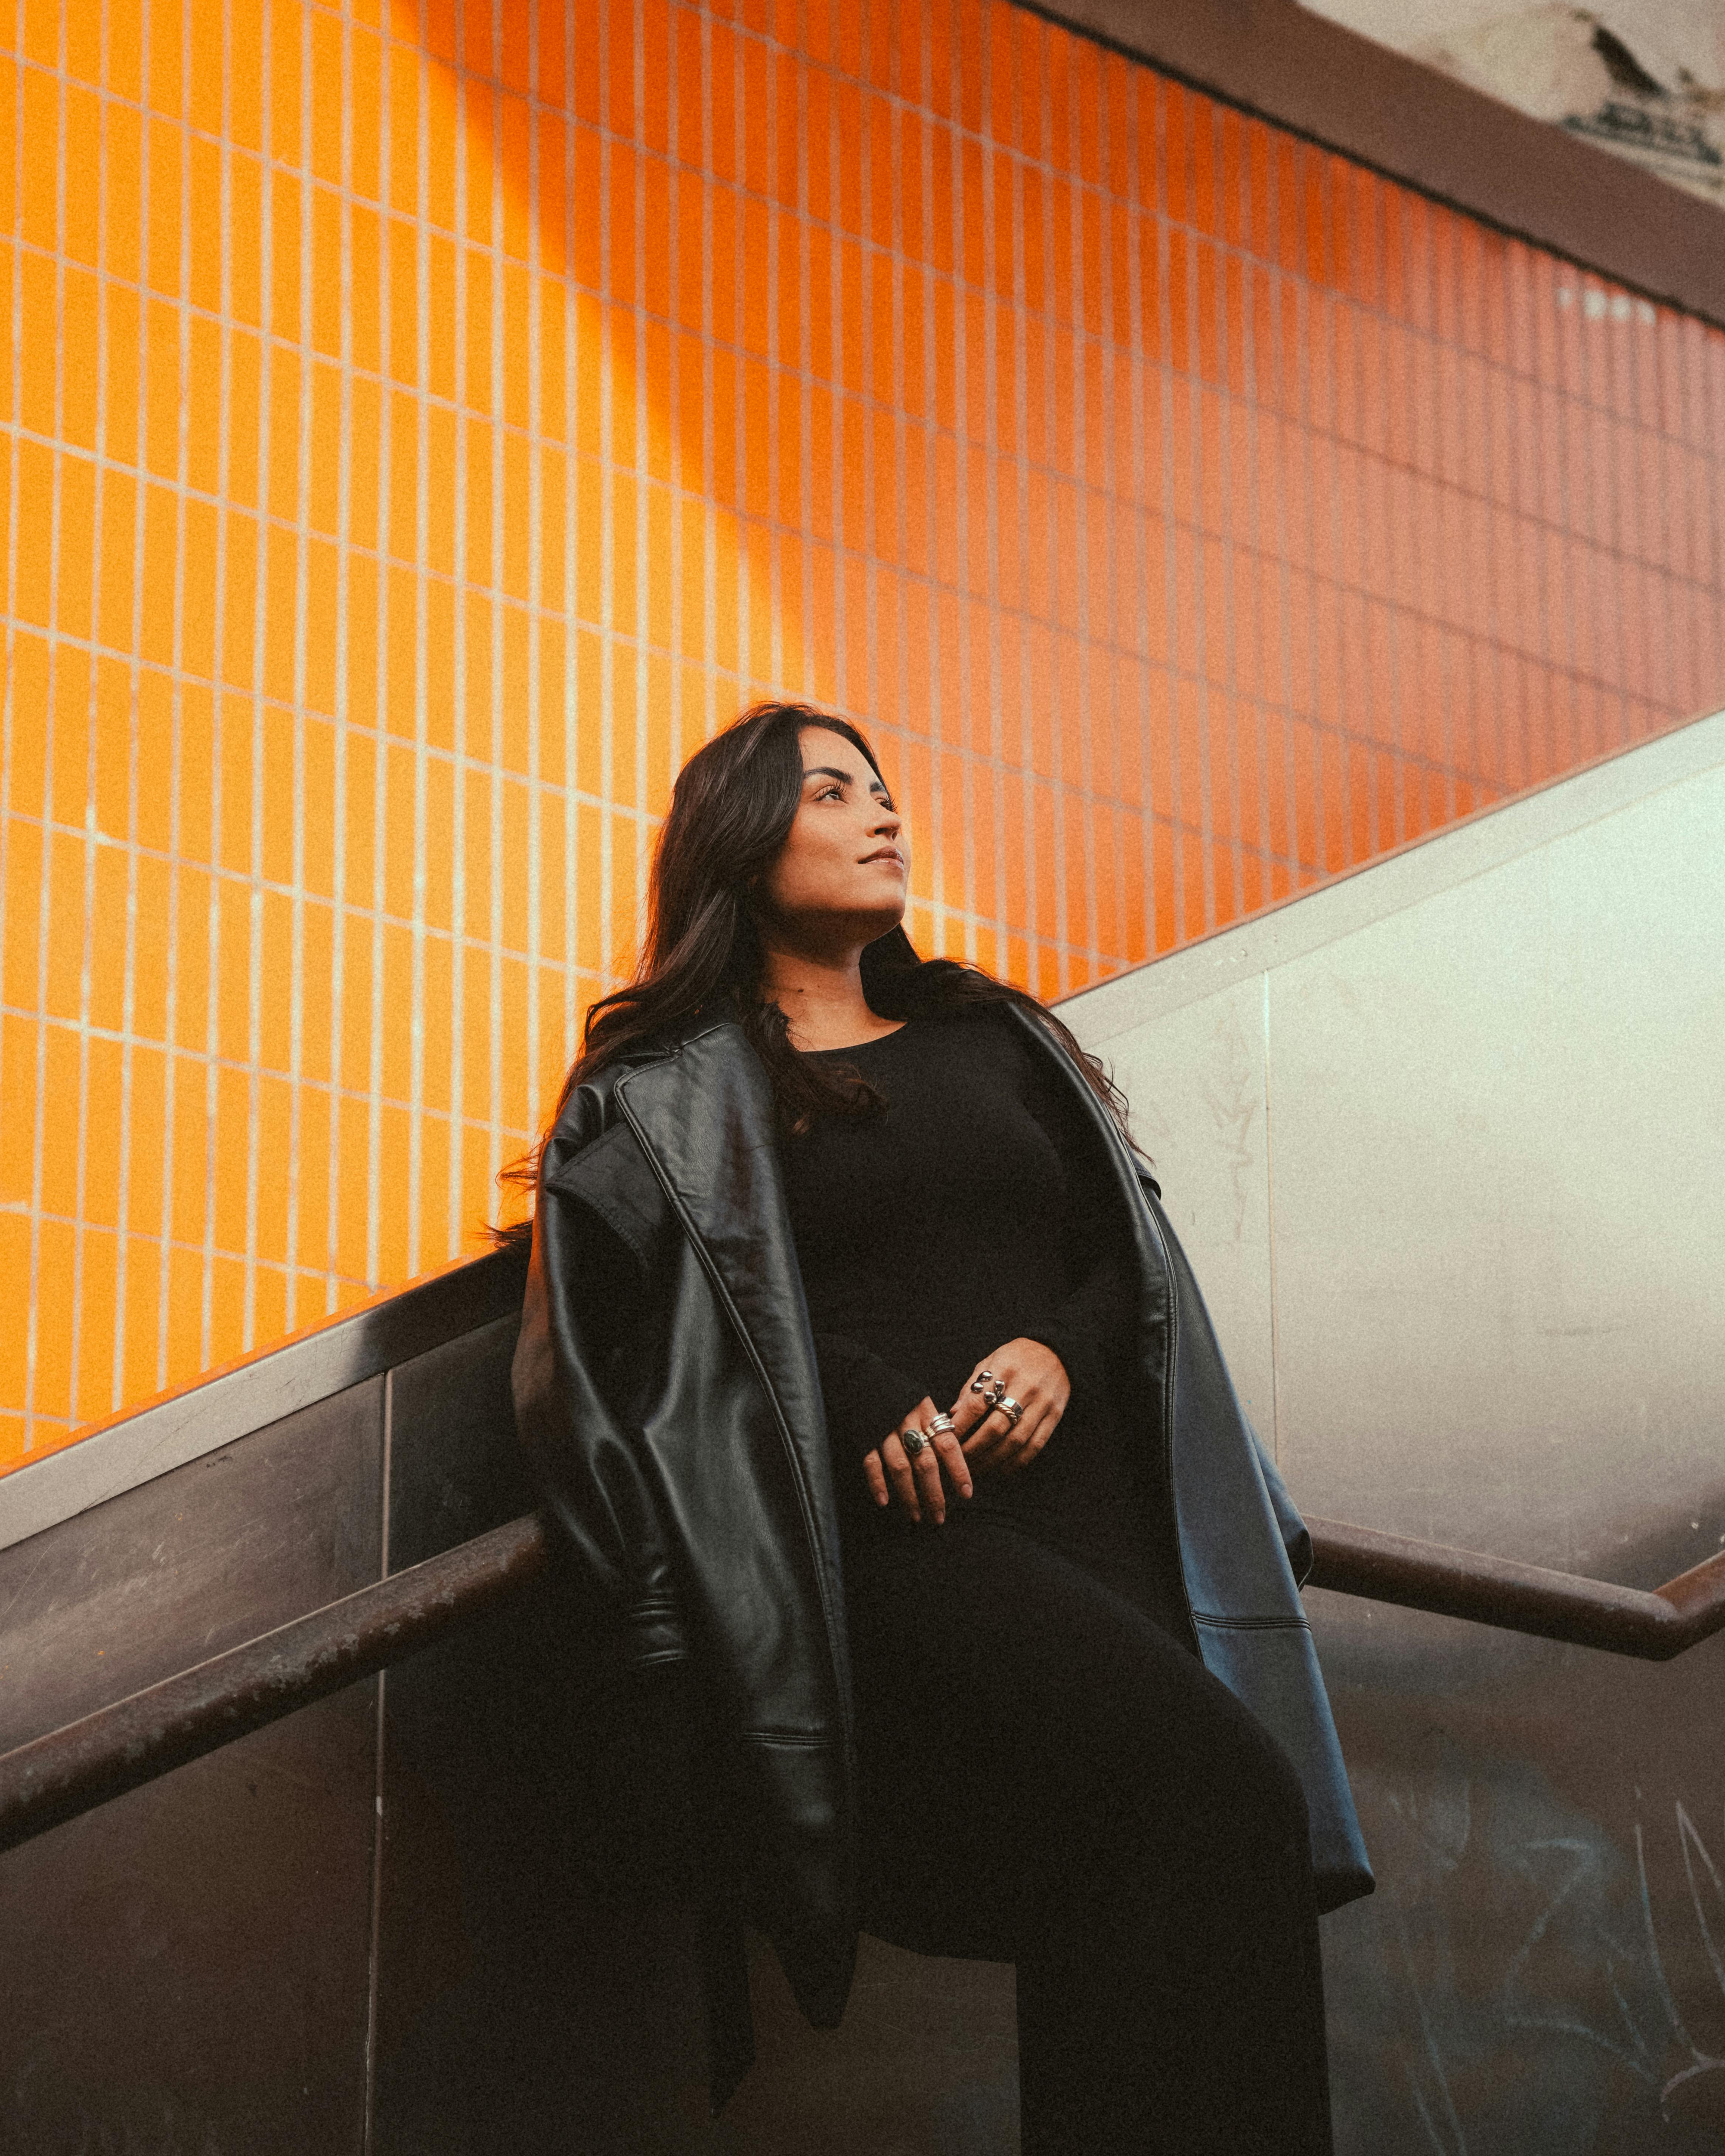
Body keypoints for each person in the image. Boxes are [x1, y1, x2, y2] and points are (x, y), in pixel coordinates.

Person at [510, 700, 1372, 2153]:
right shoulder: (663, 1088)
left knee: (1128, 1879)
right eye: (834, 790)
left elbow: (1129, 1259)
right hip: (893, 1546)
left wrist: (1057, 1350)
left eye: (885, 790)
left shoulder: (993, 1033)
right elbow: (634, 1336)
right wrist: (847, 1390)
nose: (881, 812)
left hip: (1089, 1525)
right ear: (739, 839)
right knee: (1226, 1784)